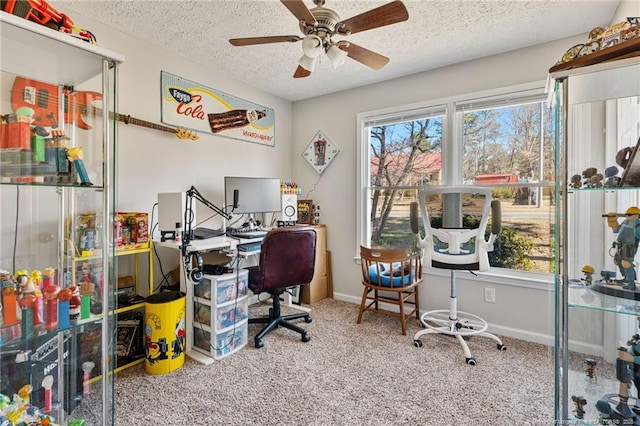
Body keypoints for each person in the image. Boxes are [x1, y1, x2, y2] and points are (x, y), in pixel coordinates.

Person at [606, 206, 640, 290]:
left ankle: (631, 283)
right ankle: (626, 278)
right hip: (621, 245)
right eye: (626, 214)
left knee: (627, 263)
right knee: (617, 260)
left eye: (629, 215)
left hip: (630, 246)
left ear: (636, 215)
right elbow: (616, 230)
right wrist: (612, 220)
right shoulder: (626, 222)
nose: (627, 216)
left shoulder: (638, 224)